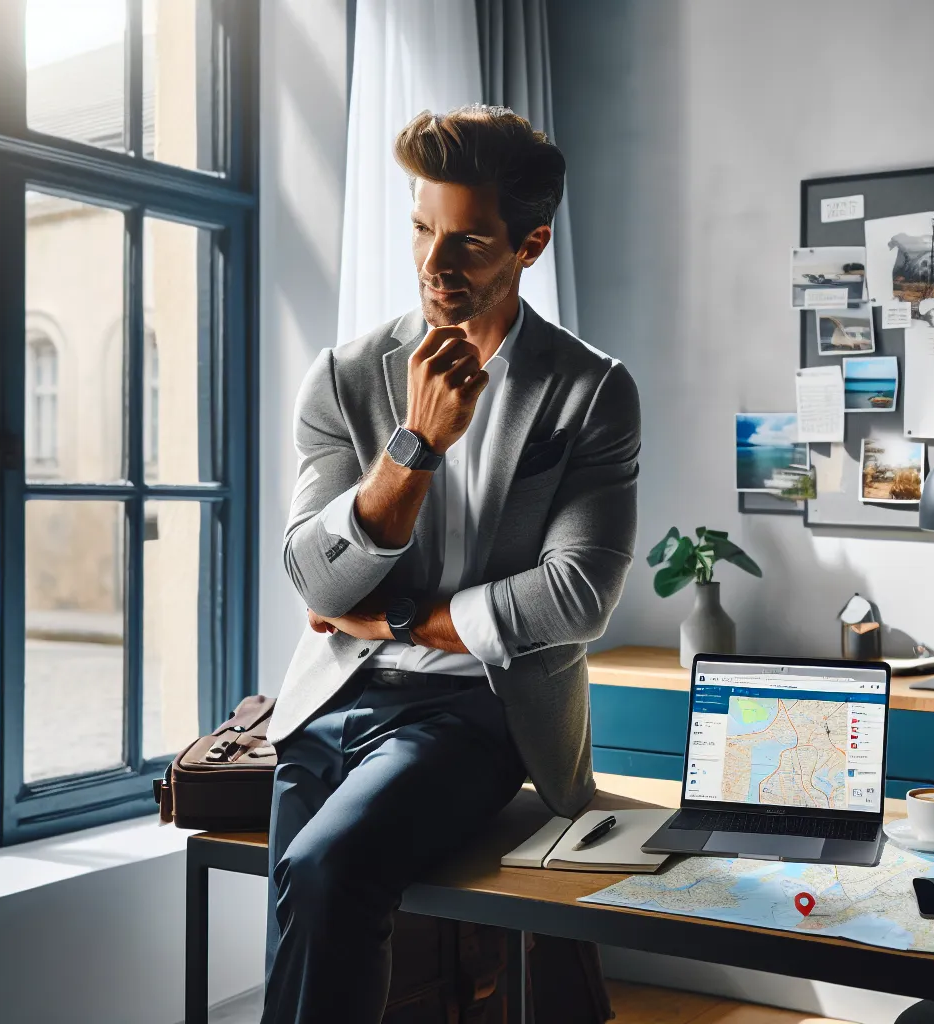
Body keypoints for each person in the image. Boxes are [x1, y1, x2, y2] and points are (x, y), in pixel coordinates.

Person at [262, 103, 639, 1024]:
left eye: (467, 243)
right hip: (329, 695)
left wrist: (396, 617)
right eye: (423, 230)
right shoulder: (346, 375)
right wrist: (416, 446)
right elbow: (316, 582)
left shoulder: (590, 391)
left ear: (530, 244)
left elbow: (578, 593)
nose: (434, 266)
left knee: (324, 869)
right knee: (297, 910)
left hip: (480, 708)